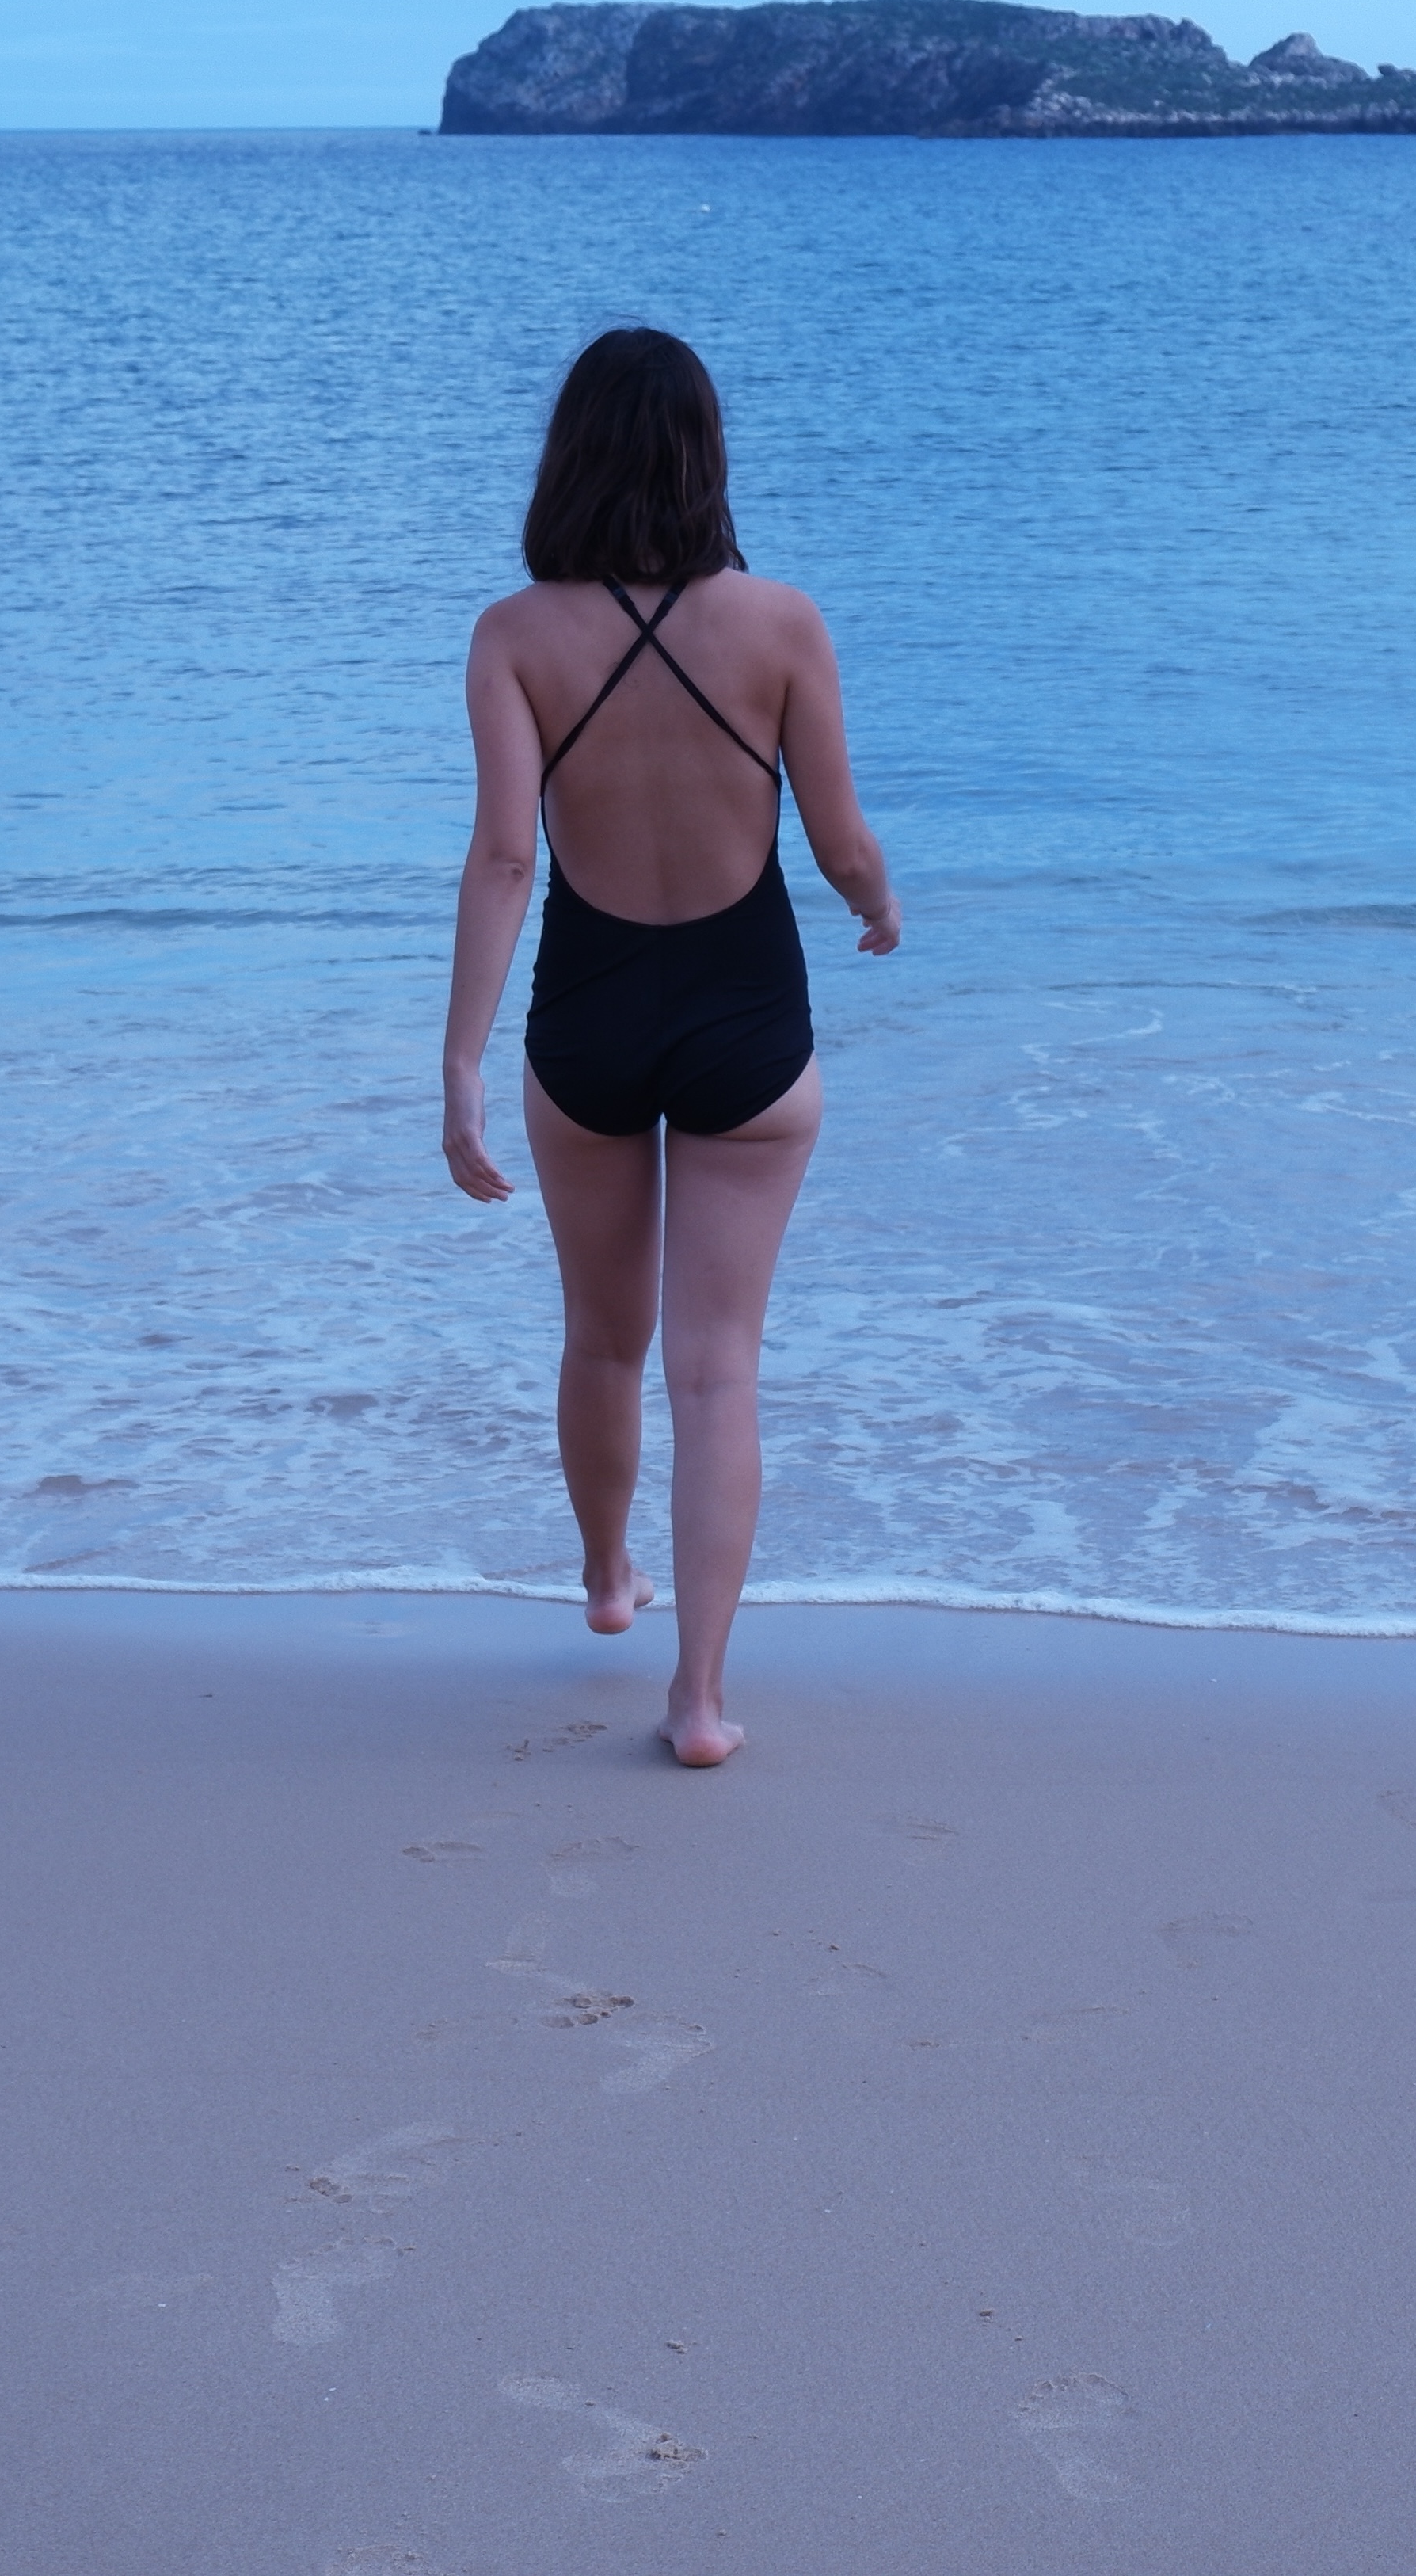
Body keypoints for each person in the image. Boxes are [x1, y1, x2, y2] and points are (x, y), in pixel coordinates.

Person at [441, 328, 900, 1765]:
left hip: (585, 1015)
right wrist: (881, 905)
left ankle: (602, 1581)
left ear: (565, 455)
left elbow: (508, 858)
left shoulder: (515, 637)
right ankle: (698, 1701)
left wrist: (459, 1061)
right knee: (719, 1368)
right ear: (709, 455)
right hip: (744, 1016)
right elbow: (835, 840)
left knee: (604, 1337)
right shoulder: (780, 623)